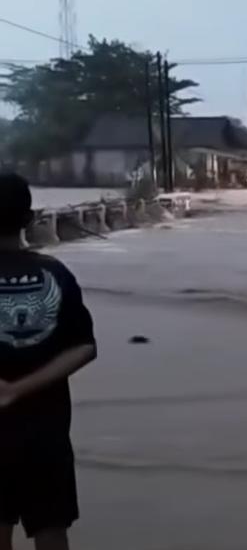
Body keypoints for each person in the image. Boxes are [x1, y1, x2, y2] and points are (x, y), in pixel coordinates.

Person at [0, 174, 97, 550]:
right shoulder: (54, 274)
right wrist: (18, 389)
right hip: (46, 431)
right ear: (28, 219)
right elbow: (84, 347)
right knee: (51, 529)